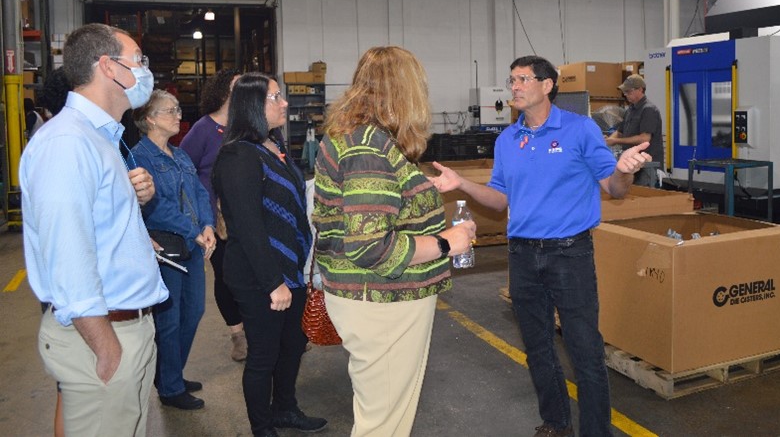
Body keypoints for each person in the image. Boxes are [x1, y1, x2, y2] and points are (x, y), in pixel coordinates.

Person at [428, 55, 649, 437]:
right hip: (523, 256)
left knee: (584, 351)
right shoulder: (507, 140)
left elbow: (613, 189)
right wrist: (461, 183)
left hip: (569, 254)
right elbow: (499, 200)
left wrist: (624, 171)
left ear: (547, 86)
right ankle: (556, 422)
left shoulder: (580, 130)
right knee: (537, 347)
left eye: (523, 79)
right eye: (511, 79)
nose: (514, 86)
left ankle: (597, 432)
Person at [312, 46, 476, 437]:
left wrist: (416, 191)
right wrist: (446, 243)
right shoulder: (369, 147)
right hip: (382, 301)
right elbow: (372, 248)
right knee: (383, 424)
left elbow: (374, 207)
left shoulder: (360, 139)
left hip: (374, 300)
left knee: (385, 416)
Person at [21, 23, 168, 437]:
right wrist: (106, 348)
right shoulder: (68, 143)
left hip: (125, 327)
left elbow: (95, 223)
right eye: (138, 59)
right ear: (109, 67)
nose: (144, 70)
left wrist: (133, 202)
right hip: (101, 335)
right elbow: (67, 253)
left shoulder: (101, 137)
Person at [212, 73, 327, 437]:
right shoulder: (237, 156)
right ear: (252, 106)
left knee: (292, 345)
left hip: (288, 271)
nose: (284, 104)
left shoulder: (272, 146)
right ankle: (262, 428)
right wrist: (273, 282)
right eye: (275, 97)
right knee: (263, 354)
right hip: (260, 276)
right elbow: (247, 228)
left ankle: (285, 409)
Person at [132, 90, 216, 410]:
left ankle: (171, 372)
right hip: (165, 248)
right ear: (150, 118)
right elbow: (154, 207)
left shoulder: (179, 155)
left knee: (194, 311)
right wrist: (194, 231)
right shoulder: (140, 157)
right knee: (169, 319)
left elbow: (199, 193)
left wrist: (207, 225)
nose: (178, 115)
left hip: (191, 246)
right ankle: (169, 386)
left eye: (178, 109)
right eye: (171, 111)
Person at [180, 69, 248, 362]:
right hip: (216, 221)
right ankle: (238, 335)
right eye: (237, 86)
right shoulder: (203, 129)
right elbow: (183, 166)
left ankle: (265, 328)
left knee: (256, 273)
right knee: (226, 277)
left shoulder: (247, 126)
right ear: (223, 92)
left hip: (248, 214)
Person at [605, 74, 664, 187]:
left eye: (628, 91)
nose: (625, 94)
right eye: (624, 92)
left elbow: (644, 139)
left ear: (640, 90)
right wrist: (608, 140)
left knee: (643, 197)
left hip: (646, 165)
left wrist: (616, 141)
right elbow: (619, 131)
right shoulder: (630, 110)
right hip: (631, 163)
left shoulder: (649, 110)